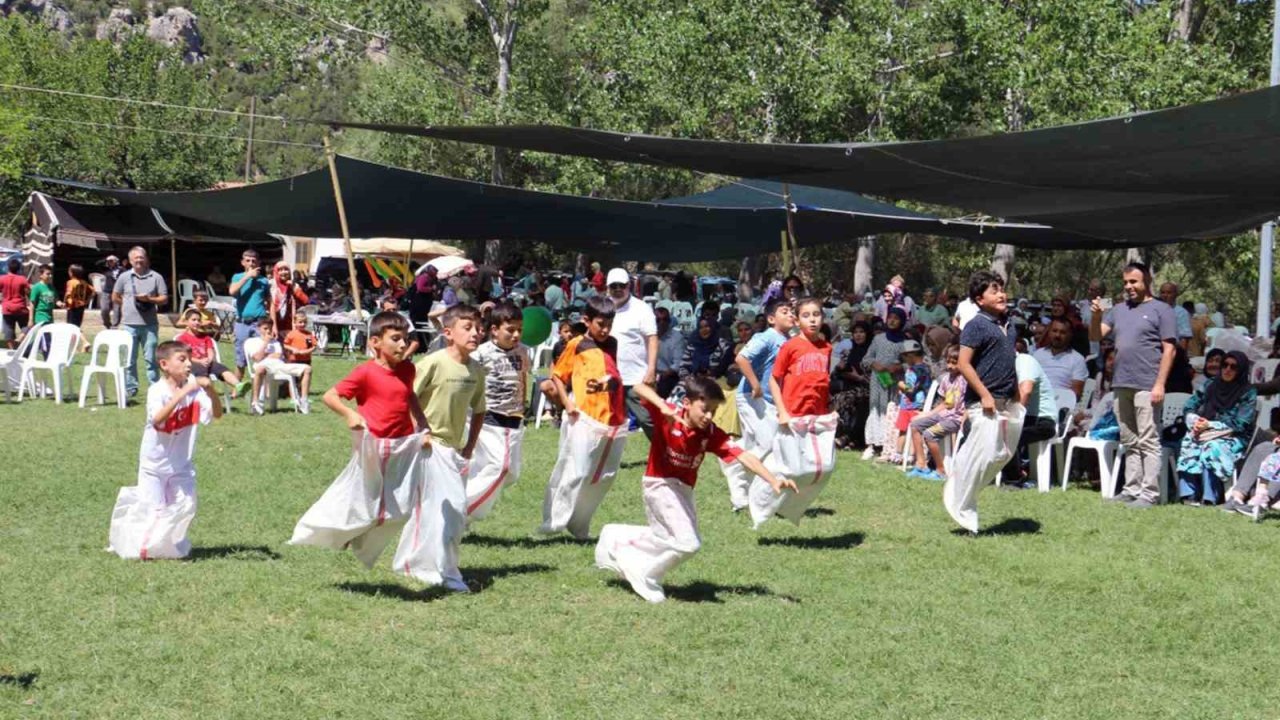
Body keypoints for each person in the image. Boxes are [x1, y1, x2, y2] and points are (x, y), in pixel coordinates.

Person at [292, 311, 461, 589]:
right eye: (395, 339)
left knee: (402, 509)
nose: (402, 344)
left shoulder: (408, 370)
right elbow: (330, 396)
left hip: (404, 446)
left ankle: (361, 540)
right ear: (375, 343)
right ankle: (336, 531)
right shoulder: (366, 372)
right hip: (374, 446)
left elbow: (410, 398)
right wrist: (349, 415)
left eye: (405, 338)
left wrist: (423, 426)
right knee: (366, 501)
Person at [595, 377, 795, 603]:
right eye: (705, 409)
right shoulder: (669, 413)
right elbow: (638, 386)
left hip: (684, 490)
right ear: (687, 403)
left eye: (713, 411)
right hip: (659, 484)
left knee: (667, 538)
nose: (709, 416)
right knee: (688, 544)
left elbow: (743, 455)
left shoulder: (710, 433)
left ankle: (615, 537)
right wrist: (661, 405)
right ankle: (645, 574)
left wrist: (773, 480)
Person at [107, 340, 222, 559]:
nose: (189, 364)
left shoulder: (194, 392)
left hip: (181, 463)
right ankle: (142, 548)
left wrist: (211, 392)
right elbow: (158, 419)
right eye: (182, 359)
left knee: (186, 505)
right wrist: (183, 392)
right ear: (164, 364)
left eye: (189, 359)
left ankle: (169, 547)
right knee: (153, 511)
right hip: (154, 464)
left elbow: (216, 414)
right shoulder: (157, 391)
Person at [407, 304, 486, 589]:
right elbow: (407, 396)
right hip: (430, 446)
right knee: (453, 509)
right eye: (468, 328)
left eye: (478, 328)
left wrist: (469, 447)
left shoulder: (476, 369)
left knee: (437, 510)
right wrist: (420, 431)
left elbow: (479, 410)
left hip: (454, 450)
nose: (476, 333)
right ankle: (446, 572)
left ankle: (414, 563)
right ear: (448, 333)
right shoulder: (433, 362)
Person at [1090, 262, 1177, 509]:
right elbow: (1095, 336)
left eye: (1134, 282)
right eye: (1126, 282)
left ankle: (1149, 494)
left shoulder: (1162, 309)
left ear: (1146, 281)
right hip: (1121, 382)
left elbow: (1169, 350)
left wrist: (1160, 384)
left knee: (1148, 439)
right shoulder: (1117, 309)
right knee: (1129, 439)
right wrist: (1096, 316)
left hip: (1147, 383)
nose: (1129, 287)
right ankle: (1131, 489)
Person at [943, 271, 1023, 534]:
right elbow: (964, 363)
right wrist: (985, 394)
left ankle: (963, 484)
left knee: (1000, 455)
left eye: (1002, 289)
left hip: (1006, 401)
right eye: (994, 290)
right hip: (983, 403)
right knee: (984, 456)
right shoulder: (976, 325)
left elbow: (1009, 361)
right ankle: (962, 506)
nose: (1001, 294)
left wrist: (1015, 392)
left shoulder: (1009, 324)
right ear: (979, 299)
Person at [541, 296, 628, 538]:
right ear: (586, 320)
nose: (605, 329)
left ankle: (579, 523)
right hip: (583, 416)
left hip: (612, 419)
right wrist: (567, 403)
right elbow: (558, 375)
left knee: (603, 476)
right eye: (600, 324)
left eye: (609, 324)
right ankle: (553, 520)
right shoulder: (577, 344)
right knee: (575, 469)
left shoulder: (613, 344)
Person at [749, 296, 835, 529]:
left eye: (816, 314)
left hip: (817, 416)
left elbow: (823, 381)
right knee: (793, 467)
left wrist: (828, 410)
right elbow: (775, 381)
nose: (812, 320)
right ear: (797, 321)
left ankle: (789, 507)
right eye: (806, 316)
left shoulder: (826, 348)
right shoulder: (790, 346)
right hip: (793, 414)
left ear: (823, 317)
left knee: (822, 467)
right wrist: (782, 411)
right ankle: (759, 498)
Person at [725, 298, 795, 511]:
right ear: (771, 318)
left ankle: (733, 465)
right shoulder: (766, 337)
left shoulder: (788, 339)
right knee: (765, 443)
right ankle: (736, 469)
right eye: (785, 311)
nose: (791, 314)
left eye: (792, 311)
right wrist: (755, 385)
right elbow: (742, 358)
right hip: (751, 396)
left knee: (754, 444)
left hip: (769, 399)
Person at [465, 301, 529, 521]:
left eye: (519, 329)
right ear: (494, 330)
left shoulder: (523, 352)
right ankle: (461, 509)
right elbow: (469, 383)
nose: (516, 335)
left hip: (515, 419)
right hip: (490, 418)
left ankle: (463, 505)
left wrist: (523, 407)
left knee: (510, 473)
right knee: (501, 468)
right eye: (510, 330)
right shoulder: (481, 354)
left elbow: (523, 380)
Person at [1176, 351, 1256, 506]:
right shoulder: (1211, 384)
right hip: (1205, 430)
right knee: (1190, 440)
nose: (1227, 370)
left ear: (1241, 370)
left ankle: (1210, 496)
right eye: (1225, 365)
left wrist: (1211, 425)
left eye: (1233, 367)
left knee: (1212, 447)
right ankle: (1189, 494)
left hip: (1234, 436)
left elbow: (1242, 423)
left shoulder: (1248, 391)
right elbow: (1190, 405)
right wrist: (1195, 420)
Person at [605, 268, 659, 440]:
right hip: (609, 376)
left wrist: (651, 369)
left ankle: (666, 457)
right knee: (607, 421)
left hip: (636, 377)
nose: (618, 289)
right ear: (608, 287)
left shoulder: (641, 308)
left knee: (648, 419)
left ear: (630, 286)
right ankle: (603, 460)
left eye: (622, 285)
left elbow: (652, 339)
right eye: (614, 286)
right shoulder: (603, 307)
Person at [1000, 339, 1059, 489]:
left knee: (1008, 435)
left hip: (1043, 421)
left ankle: (1015, 479)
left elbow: (1026, 391)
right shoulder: (1005, 366)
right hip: (1026, 418)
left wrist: (1011, 418)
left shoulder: (1025, 361)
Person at [112, 246, 169, 398]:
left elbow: (164, 299)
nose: (138, 260)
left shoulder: (156, 277)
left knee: (151, 359)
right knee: (129, 359)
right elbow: (115, 296)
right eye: (135, 258)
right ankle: (131, 388)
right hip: (128, 325)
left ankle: (154, 388)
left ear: (146, 259)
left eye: (141, 257)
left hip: (149, 325)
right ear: (130, 261)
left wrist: (149, 299)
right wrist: (126, 305)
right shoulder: (124, 277)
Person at [908, 344, 966, 481]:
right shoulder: (946, 379)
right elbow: (945, 403)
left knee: (929, 434)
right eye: (948, 362)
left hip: (956, 419)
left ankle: (941, 470)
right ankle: (921, 464)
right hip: (944, 415)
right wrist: (928, 414)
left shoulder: (966, 380)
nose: (950, 366)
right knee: (915, 425)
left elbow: (970, 403)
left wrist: (965, 419)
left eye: (954, 363)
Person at [861, 307, 908, 459]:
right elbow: (866, 359)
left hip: (895, 382)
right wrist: (875, 364)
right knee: (876, 409)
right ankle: (872, 445)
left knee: (891, 410)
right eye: (890, 317)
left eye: (897, 318)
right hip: (878, 381)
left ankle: (888, 446)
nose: (892, 320)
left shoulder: (906, 342)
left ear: (902, 321)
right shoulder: (878, 339)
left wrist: (899, 367)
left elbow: (914, 362)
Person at [248, 318, 313, 415]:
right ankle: (256, 402)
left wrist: (265, 354)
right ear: (259, 329)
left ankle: (303, 401)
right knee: (260, 369)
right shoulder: (252, 342)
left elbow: (278, 356)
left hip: (279, 365)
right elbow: (257, 358)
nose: (268, 331)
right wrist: (265, 343)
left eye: (270, 328)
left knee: (307, 368)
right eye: (265, 328)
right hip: (263, 366)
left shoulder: (276, 342)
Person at [175, 309, 240, 395]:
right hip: (192, 363)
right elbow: (184, 355)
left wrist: (209, 359)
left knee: (222, 369)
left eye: (199, 320)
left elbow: (210, 350)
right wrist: (199, 361)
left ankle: (238, 385)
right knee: (201, 373)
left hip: (208, 362)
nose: (197, 322)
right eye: (193, 320)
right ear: (186, 322)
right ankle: (206, 396)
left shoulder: (206, 337)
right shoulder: (183, 338)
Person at [832, 320, 873, 451]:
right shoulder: (849, 352)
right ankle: (844, 435)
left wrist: (859, 378)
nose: (858, 335)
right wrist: (839, 368)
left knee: (849, 399)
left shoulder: (871, 353)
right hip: (848, 386)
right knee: (837, 397)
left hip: (867, 389)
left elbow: (876, 379)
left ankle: (848, 437)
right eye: (855, 332)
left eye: (861, 332)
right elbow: (835, 375)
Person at [228, 249, 270, 377]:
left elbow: (269, 300)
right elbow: (232, 292)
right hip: (242, 322)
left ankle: (263, 388)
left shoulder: (264, 281)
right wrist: (248, 276)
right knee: (241, 358)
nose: (251, 263)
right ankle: (237, 388)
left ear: (258, 262)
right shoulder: (237, 277)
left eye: (253, 261)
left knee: (262, 355)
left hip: (259, 322)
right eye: (248, 261)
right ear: (243, 262)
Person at [890, 340, 931, 464]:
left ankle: (899, 454)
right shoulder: (926, 368)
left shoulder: (913, 370)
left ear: (910, 355)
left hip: (910, 405)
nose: (903, 359)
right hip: (918, 404)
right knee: (915, 431)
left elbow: (910, 388)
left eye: (904, 356)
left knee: (903, 430)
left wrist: (901, 385)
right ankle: (912, 456)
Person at [1032, 317, 1088, 398]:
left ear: (1070, 335)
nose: (1057, 335)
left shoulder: (1077, 359)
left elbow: (1076, 393)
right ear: (1049, 333)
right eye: (1054, 331)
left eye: (1063, 332)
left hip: (1062, 403)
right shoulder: (1038, 354)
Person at [678, 316, 734, 383]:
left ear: (712, 327)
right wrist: (688, 380)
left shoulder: (722, 344)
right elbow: (683, 366)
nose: (704, 330)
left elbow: (728, 366)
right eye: (701, 327)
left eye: (707, 326)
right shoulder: (692, 345)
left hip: (716, 381)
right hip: (693, 381)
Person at [269, 260, 309, 337]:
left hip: (289, 324)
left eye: (286, 269)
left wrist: (294, 288)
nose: (283, 272)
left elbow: (306, 301)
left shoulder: (294, 285)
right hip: (273, 323)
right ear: (276, 271)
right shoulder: (271, 285)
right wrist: (273, 326)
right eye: (280, 270)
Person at [654, 306, 685, 398]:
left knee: (663, 385)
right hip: (650, 373)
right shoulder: (648, 336)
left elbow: (677, 365)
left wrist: (659, 377)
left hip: (668, 376)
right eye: (658, 320)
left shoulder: (677, 338)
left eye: (665, 319)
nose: (662, 323)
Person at [62, 263, 94, 350]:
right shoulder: (84, 282)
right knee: (75, 326)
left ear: (72, 273)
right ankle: (73, 347)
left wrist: (65, 302)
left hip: (73, 306)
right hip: (81, 306)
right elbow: (93, 291)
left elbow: (68, 293)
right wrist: (86, 301)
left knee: (73, 327)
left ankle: (85, 342)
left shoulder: (70, 282)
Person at [0, 256, 29, 350]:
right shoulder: (22, 279)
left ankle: (12, 350)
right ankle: (20, 340)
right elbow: (28, 292)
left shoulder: (2, 279)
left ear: (8, 267)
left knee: (8, 330)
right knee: (26, 327)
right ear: (19, 268)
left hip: (7, 308)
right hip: (21, 308)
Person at [28, 265, 56, 355]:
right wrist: (31, 319)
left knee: (42, 338)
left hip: (50, 316)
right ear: (41, 275)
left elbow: (55, 299)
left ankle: (25, 352)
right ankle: (47, 358)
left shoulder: (51, 287)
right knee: (46, 338)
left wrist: (60, 303)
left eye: (51, 274)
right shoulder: (37, 287)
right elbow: (32, 303)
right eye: (48, 274)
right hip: (40, 315)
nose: (50, 276)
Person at [1159, 282, 1193, 350]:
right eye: (1163, 292)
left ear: (1176, 294)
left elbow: (1184, 339)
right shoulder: (1154, 311)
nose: (1165, 295)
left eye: (1169, 293)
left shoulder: (1181, 313)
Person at [98, 254, 123, 329]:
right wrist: (106, 258)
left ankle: (115, 325)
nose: (110, 262)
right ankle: (107, 324)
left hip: (118, 292)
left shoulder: (121, 269)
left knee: (117, 310)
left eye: (112, 261)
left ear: (116, 261)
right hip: (106, 291)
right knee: (104, 309)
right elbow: (97, 264)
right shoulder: (106, 269)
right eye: (109, 261)